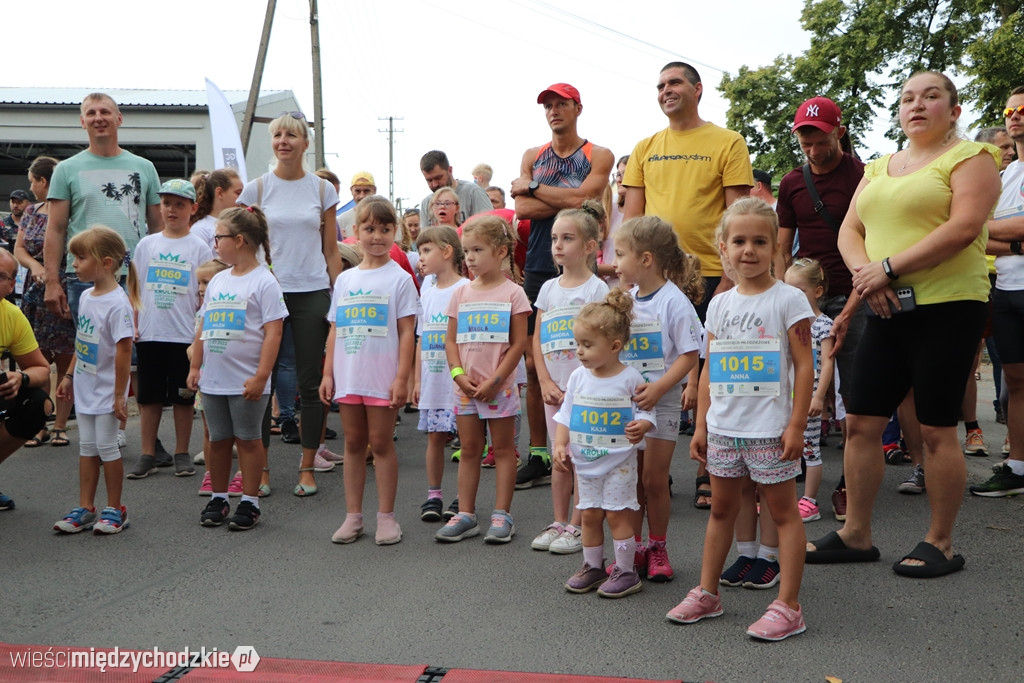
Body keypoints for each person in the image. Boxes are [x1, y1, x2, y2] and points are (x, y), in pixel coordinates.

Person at [806, 71, 1001, 577]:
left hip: (949, 305)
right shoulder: (877, 167)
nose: (917, 104)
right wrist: (869, 276)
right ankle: (856, 534)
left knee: (936, 429)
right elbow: (852, 228)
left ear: (954, 111)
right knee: (862, 422)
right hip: (885, 305)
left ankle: (941, 541)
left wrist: (889, 267)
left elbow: (964, 228)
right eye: (908, 98)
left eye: (931, 96)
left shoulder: (972, 158)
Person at [667, 197, 814, 641]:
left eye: (759, 241)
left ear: (775, 249)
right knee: (722, 510)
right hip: (726, 431)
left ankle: (788, 606)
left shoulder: (790, 300)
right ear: (723, 249)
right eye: (739, 241)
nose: (748, 250)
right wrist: (705, 426)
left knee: (783, 513)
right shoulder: (718, 306)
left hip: (771, 429)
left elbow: (805, 365)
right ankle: (707, 593)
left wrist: (795, 425)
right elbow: (710, 368)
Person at [511, 82, 614, 491]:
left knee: (592, 356)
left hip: (583, 267)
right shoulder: (532, 155)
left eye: (561, 104)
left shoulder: (598, 155)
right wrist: (565, 199)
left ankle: (591, 441)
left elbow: (589, 201)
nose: (554, 111)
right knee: (538, 367)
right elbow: (521, 208)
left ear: (577, 108)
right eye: (548, 106)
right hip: (540, 263)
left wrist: (536, 189)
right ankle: (540, 452)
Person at [237, 111, 343, 498]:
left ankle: (307, 466)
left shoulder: (322, 190)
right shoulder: (256, 190)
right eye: (278, 135)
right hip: (266, 293)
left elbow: (331, 250)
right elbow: (242, 247)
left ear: (305, 143)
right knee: (261, 382)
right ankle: (261, 470)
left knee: (310, 384)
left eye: (292, 135)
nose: (284, 141)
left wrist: (336, 294)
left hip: (312, 290)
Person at [774, 96, 866, 521]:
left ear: (839, 132)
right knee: (798, 384)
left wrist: (858, 296)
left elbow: (874, 235)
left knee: (853, 393)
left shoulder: (863, 175)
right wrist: (778, 292)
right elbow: (781, 244)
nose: (812, 150)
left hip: (855, 292)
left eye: (820, 140)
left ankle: (849, 483)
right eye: (805, 141)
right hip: (803, 296)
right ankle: (793, 468)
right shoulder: (793, 183)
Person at [622, 62, 753, 318]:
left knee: (708, 358)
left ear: (697, 89)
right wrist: (629, 275)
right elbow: (632, 222)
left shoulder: (730, 142)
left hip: (711, 275)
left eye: (674, 83)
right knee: (658, 359)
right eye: (660, 86)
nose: (666, 91)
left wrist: (730, 279)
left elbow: (740, 219)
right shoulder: (644, 148)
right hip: (655, 275)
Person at [321, 197, 417, 545]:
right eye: (369, 229)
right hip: (349, 377)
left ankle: (386, 517)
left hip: (382, 378)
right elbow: (335, 328)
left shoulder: (401, 279)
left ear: (396, 232)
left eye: (385, 229)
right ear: (356, 232)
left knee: (380, 443)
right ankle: (353, 516)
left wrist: (402, 377)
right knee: (353, 443)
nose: (377, 236)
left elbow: (408, 332)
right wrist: (328, 373)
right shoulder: (345, 281)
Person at [611, 216, 701, 581]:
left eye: (620, 255)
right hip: (627, 404)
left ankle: (658, 546)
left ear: (646, 259)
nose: (614, 263)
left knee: (654, 481)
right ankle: (629, 550)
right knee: (629, 480)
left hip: (660, 404)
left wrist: (662, 388)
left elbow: (689, 354)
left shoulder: (674, 302)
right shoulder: (626, 301)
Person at [188, 206, 287, 530]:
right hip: (214, 379)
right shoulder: (217, 280)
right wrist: (195, 366)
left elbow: (274, 332)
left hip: (246, 380)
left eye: (219, 237)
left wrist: (262, 376)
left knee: (247, 440)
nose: (215, 243)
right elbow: (203, 326)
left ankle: (249, 501)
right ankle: (219, 496)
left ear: (240, 240)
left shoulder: (264, 282)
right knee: (218, 439)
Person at [435, 215, 530, 544]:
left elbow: (519, 343)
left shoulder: (514, 294)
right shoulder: (460, 294)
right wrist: (459, 376)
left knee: (503, 450)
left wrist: (498, 379)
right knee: (470, 449)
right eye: (466, 251)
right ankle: (466, 514)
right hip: (466, 389)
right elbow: (450, 341)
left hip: (499, 388)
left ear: (501, 251)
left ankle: (502, 514)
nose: (470, 257)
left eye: (477, 249)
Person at [556, 289, 655, 597]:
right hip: (585, 465)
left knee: (617, 515)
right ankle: (593, 566)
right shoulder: (577, 378)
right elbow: (566, 414)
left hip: (619, 464)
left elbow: (646, 411)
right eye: (577, 344)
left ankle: (626, 571)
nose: (580, 352)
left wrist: (643, 425)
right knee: (589, 514)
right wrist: (561, 444)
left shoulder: (630, 378)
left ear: (614, 346)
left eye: (587, 345)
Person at [530, 205, 608, 555]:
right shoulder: (547, 288)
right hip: (553, 389)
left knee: (580, 456)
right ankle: (559, 520)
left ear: (590, 246)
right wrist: (545, 380)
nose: (558, 246)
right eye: (554, 239)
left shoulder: (597, 290)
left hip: (584, 390)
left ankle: (578, 524)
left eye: (568, 238)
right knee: (558, 453)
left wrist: (582, 386)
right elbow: (538, 337)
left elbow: (603, 341)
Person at [44, 93, 162, 322]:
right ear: (82, 122)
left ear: (119, 119)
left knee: (133, 350)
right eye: (91, 113)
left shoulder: (145, 168)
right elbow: (55, 229)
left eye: (105, 112)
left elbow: (158, 227)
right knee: (91, 348)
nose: (98, 118)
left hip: (135, 276)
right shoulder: (66, 169)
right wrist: (51, 282)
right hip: (85, 276)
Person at [54, 227, 140, 535]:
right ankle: (86, 507)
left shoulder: (118, 303)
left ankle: (115, 509)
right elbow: (83, 339)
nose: (74, 264)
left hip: (106, 391)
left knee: (107, 447)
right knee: (87, 448)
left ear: (105, 263)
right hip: (85, 386)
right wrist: (67, 376)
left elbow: (124, 351)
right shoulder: (89, 296)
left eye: (80, 257)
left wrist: (120, 396)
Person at [128, 179, 213, 479]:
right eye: (167, 203)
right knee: (148, 397)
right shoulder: (147, 244)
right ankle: (147, 453)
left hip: (184, 336)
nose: (172, 210)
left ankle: (181, 452)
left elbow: (205, 293)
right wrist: (134, 324)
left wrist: (198, 334)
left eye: (180, 204)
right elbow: (135, 288)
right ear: (159, 207)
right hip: (150, 333)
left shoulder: (200, 248)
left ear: (193, 208)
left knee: (183, 397)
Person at [974, 86, 1024, 497]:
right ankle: (1018, 467)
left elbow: (978, 229)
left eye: (1022, 109)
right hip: (1006, 288)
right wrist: (1017, 243)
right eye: (1010, 109)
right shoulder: (1005, 176)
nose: (1014, 115)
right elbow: (974, 232)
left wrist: (993, 233)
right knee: (1016, 381)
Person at [14, 156, 76, 448]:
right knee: (38, 359)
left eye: (32, 182)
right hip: (34, 291)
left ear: (43, 181)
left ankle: (60, 425)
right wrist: (36, 267)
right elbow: (19, 249)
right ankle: (40, 423)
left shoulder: (72, 210)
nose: (31, 187)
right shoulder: (31, 211)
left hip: (64, 287)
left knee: (65, 358)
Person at [413, 226, 469, 521]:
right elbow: (422, 336)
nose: (420, 258)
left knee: (466, 442)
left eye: (426, 251)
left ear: (447, 252)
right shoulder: (427, 289)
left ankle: (462, 497)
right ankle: (433, 495)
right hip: (434, 378)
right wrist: (417, 379)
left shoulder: (465, 289)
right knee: (435, 437)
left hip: (457, 380)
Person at [0, 248, 53, 509]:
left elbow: (41, 369)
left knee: (37, 403)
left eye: (0, 276)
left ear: (11, 285)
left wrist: (19, 377)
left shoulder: (11, 315)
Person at [784, 258, 835, 522]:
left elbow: (827, 363)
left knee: (810, 447)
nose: (793, 295)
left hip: (809, 398)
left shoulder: (823, 324)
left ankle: (810, 501)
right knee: (781, 443)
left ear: (817, 291)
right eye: (788, 288)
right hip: (785, 396)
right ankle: (781, 497)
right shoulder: (786, 321)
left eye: (800, 290)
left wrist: (819, 397)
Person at [418, 151, 493, 227]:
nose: (434, 184)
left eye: (438, 178)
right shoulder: (426, 203)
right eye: (429, 180)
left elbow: (488, 228)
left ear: (450, 170)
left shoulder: (473, 192)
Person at [190, 169, 244, 250]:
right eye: (238, 193)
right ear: (220, 193)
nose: (242, 198)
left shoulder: (241, 225)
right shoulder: (201, 229)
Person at [337, 171, 376, 239]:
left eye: (366, 191)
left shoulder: (389, 218)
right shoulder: (340, 221)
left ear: (374, 190)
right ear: (351, 190)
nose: (362, 195)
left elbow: (395, 248)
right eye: (357, 191)